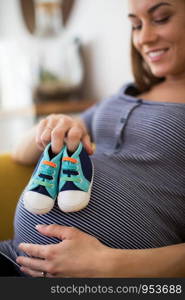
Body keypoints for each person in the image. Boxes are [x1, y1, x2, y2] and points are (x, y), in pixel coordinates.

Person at [1, 0, 185, 277]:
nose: (144, 38)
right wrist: (50, 127)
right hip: (15, 257)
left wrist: (109, 264)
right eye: (135, 25)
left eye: (160, 19)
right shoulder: (123, 96)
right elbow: (20, 154)